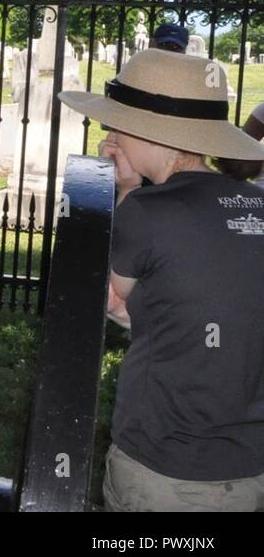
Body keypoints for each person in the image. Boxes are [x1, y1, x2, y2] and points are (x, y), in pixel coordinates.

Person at [58, 48, 264, 511]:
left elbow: (112, 303)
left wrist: (126, 189)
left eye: (115, 123)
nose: (109, 134)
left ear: (145, 131)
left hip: (166, 469)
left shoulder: (149, 212)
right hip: (250, 464)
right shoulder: (255, 203)